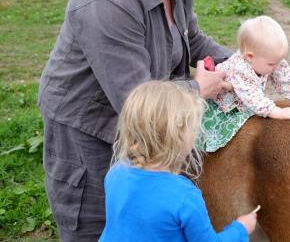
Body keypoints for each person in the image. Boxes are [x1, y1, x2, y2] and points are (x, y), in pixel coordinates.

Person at [38, 0, 233, 240]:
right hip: (90, 135)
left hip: (140, 126)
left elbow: (193, 39)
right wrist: (199, 88)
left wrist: (241, 63)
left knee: (145, 222)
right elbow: (133, 97)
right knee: (99, 226)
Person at [99, 81, 257, 241]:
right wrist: (240, 229)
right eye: (193, 128)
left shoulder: (116, 173)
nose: (196, 133)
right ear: (177, 137)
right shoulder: (184, 196)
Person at [200, 15, 290, 152]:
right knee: (208, 136)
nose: (276, 67)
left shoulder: (271, 60)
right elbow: (253, 98)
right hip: (226, 105)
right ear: (250, 57)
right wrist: (277, 112)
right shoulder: (240, 70)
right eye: (272, 64)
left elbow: (285, 78)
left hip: (244, 97)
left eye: (279, 61)